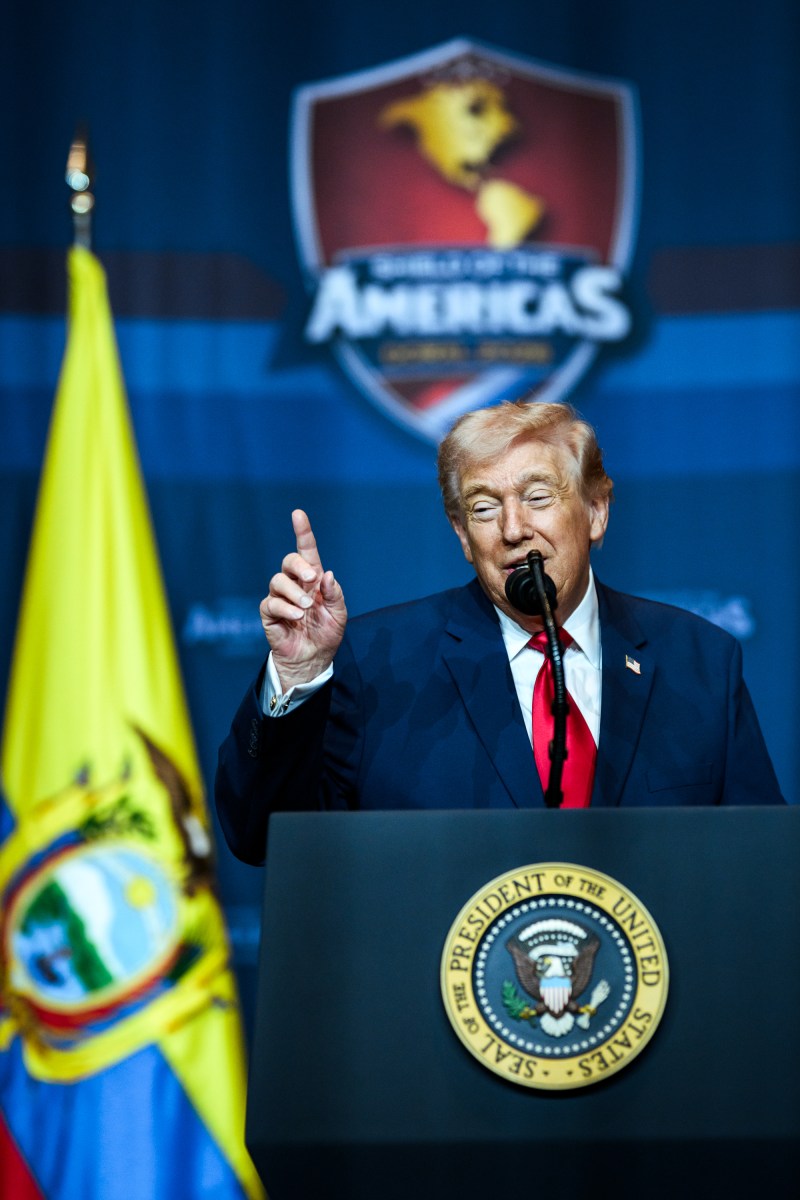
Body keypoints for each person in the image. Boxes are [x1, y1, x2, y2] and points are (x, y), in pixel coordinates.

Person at [215, 401, 784, 865]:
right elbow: (261, 838)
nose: (514, 530)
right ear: (463, 536)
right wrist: (298, 675)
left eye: (538, 497)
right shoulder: (376, 663)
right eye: (484, 509)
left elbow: (761, 865)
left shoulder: (700, 662)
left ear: (595, 511)